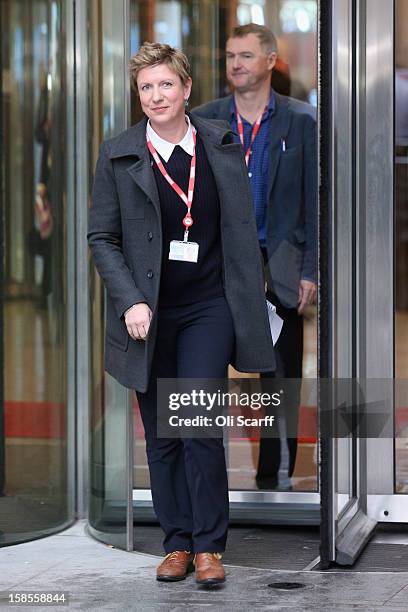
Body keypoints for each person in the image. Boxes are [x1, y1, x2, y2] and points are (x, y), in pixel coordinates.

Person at [87, 42, 275, 586]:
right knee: (162, 433)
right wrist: (131, 300)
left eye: (165, 84)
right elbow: (103, 237)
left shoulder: (219, 143)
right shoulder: (119, 153)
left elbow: (239, 230)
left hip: (208, 307)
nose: (155, 96)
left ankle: (210, 546)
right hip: (148, 312)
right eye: (146, 87)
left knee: (195, 423)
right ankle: (176, 543)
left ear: (187, 89)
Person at [194, 24, 317, 490]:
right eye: (230, 56)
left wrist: (310, 269)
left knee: (279, 374)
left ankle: (273, 475)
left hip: (281, 263)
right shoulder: (206, 120)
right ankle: (207, 480)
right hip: (222, 262)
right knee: (209, 364)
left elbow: (314, 202)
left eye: (245, 56)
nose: (235, 65)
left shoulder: (302, 121)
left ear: (270, 62)